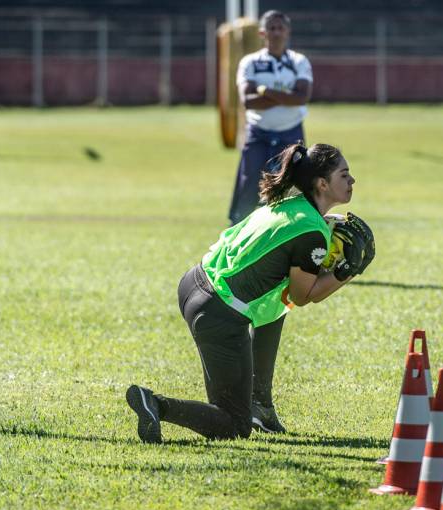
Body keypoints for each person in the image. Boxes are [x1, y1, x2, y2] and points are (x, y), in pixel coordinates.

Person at [126, 143, 374, 442]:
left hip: (195, 282)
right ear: (322, 184)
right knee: (233, 425)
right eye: (344, 174)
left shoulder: (289, 203)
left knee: (272, 313)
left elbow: (282, 283)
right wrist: (346, 271)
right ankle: (155, 404)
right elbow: (303, 296)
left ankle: (261, 406)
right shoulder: (311, 232)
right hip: (218, 312)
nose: (352, 181)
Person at [228, 10, 312, 226]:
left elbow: (302, 98)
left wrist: (264, 90)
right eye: (271, 28)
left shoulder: (299, 61)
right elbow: (248, 100)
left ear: (287, 32)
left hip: (291, 133)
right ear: (262, 33)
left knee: (292, 184)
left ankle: (292, 229)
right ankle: (238, 227)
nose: (276, 33)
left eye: (280, 28)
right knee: (249, 183)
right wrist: (287, 97)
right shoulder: (250, 62)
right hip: (258, 133)